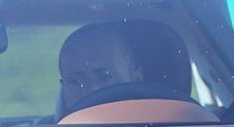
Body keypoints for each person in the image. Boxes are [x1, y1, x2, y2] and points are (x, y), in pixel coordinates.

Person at [57, 19, 196, 117]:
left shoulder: (185, 125)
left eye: (105, 76)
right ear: (64, 88)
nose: (92, 91)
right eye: (76, 82)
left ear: (137, 77)